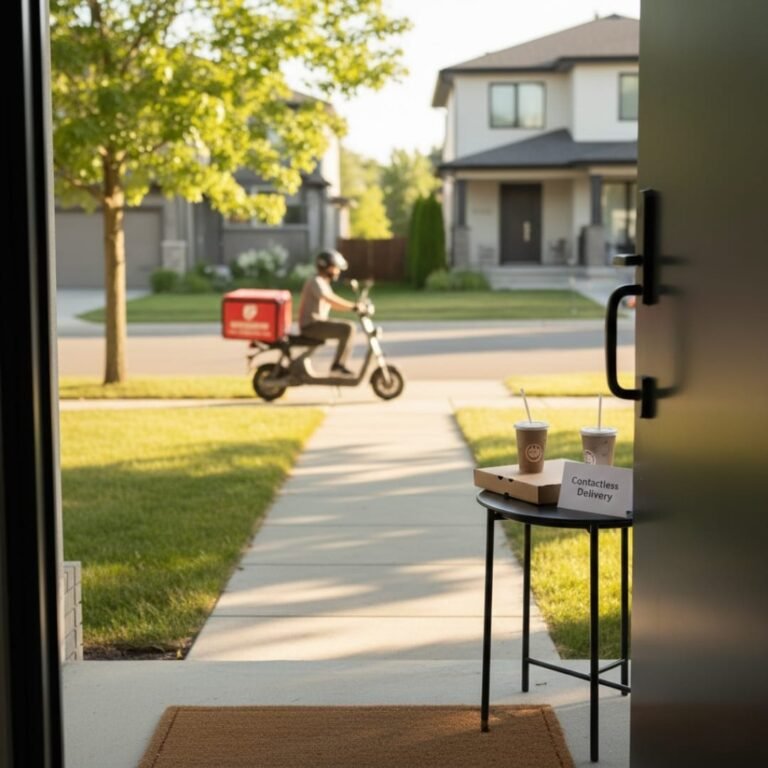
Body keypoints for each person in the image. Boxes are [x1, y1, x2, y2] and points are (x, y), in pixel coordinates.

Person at [298, 250, 358, 375]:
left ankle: (338, 366)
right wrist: (353, 307)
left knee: (347, 328)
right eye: (336, 268)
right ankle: (338, 366)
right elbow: (330, 299)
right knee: (348, 328)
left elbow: (331, 301)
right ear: (327, 267)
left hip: (317, 324)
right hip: (311, 326)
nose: (338, 271)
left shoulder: (322, 282)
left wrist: (353, 307)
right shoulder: (316, 281)